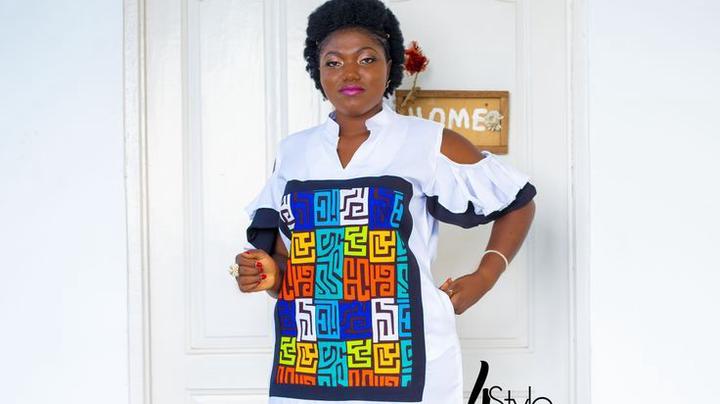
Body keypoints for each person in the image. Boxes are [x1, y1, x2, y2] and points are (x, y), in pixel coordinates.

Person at [230, 0, 536, 402]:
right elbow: (288, 267)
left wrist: (485, 276)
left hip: (405, 359)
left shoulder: (426, 142)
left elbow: (517, 200)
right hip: (310, 360)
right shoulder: (293, 153)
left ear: (390, 65)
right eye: (333, 62)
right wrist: (267, 273)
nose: (349, 73)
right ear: (317, 71)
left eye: (366, 59)